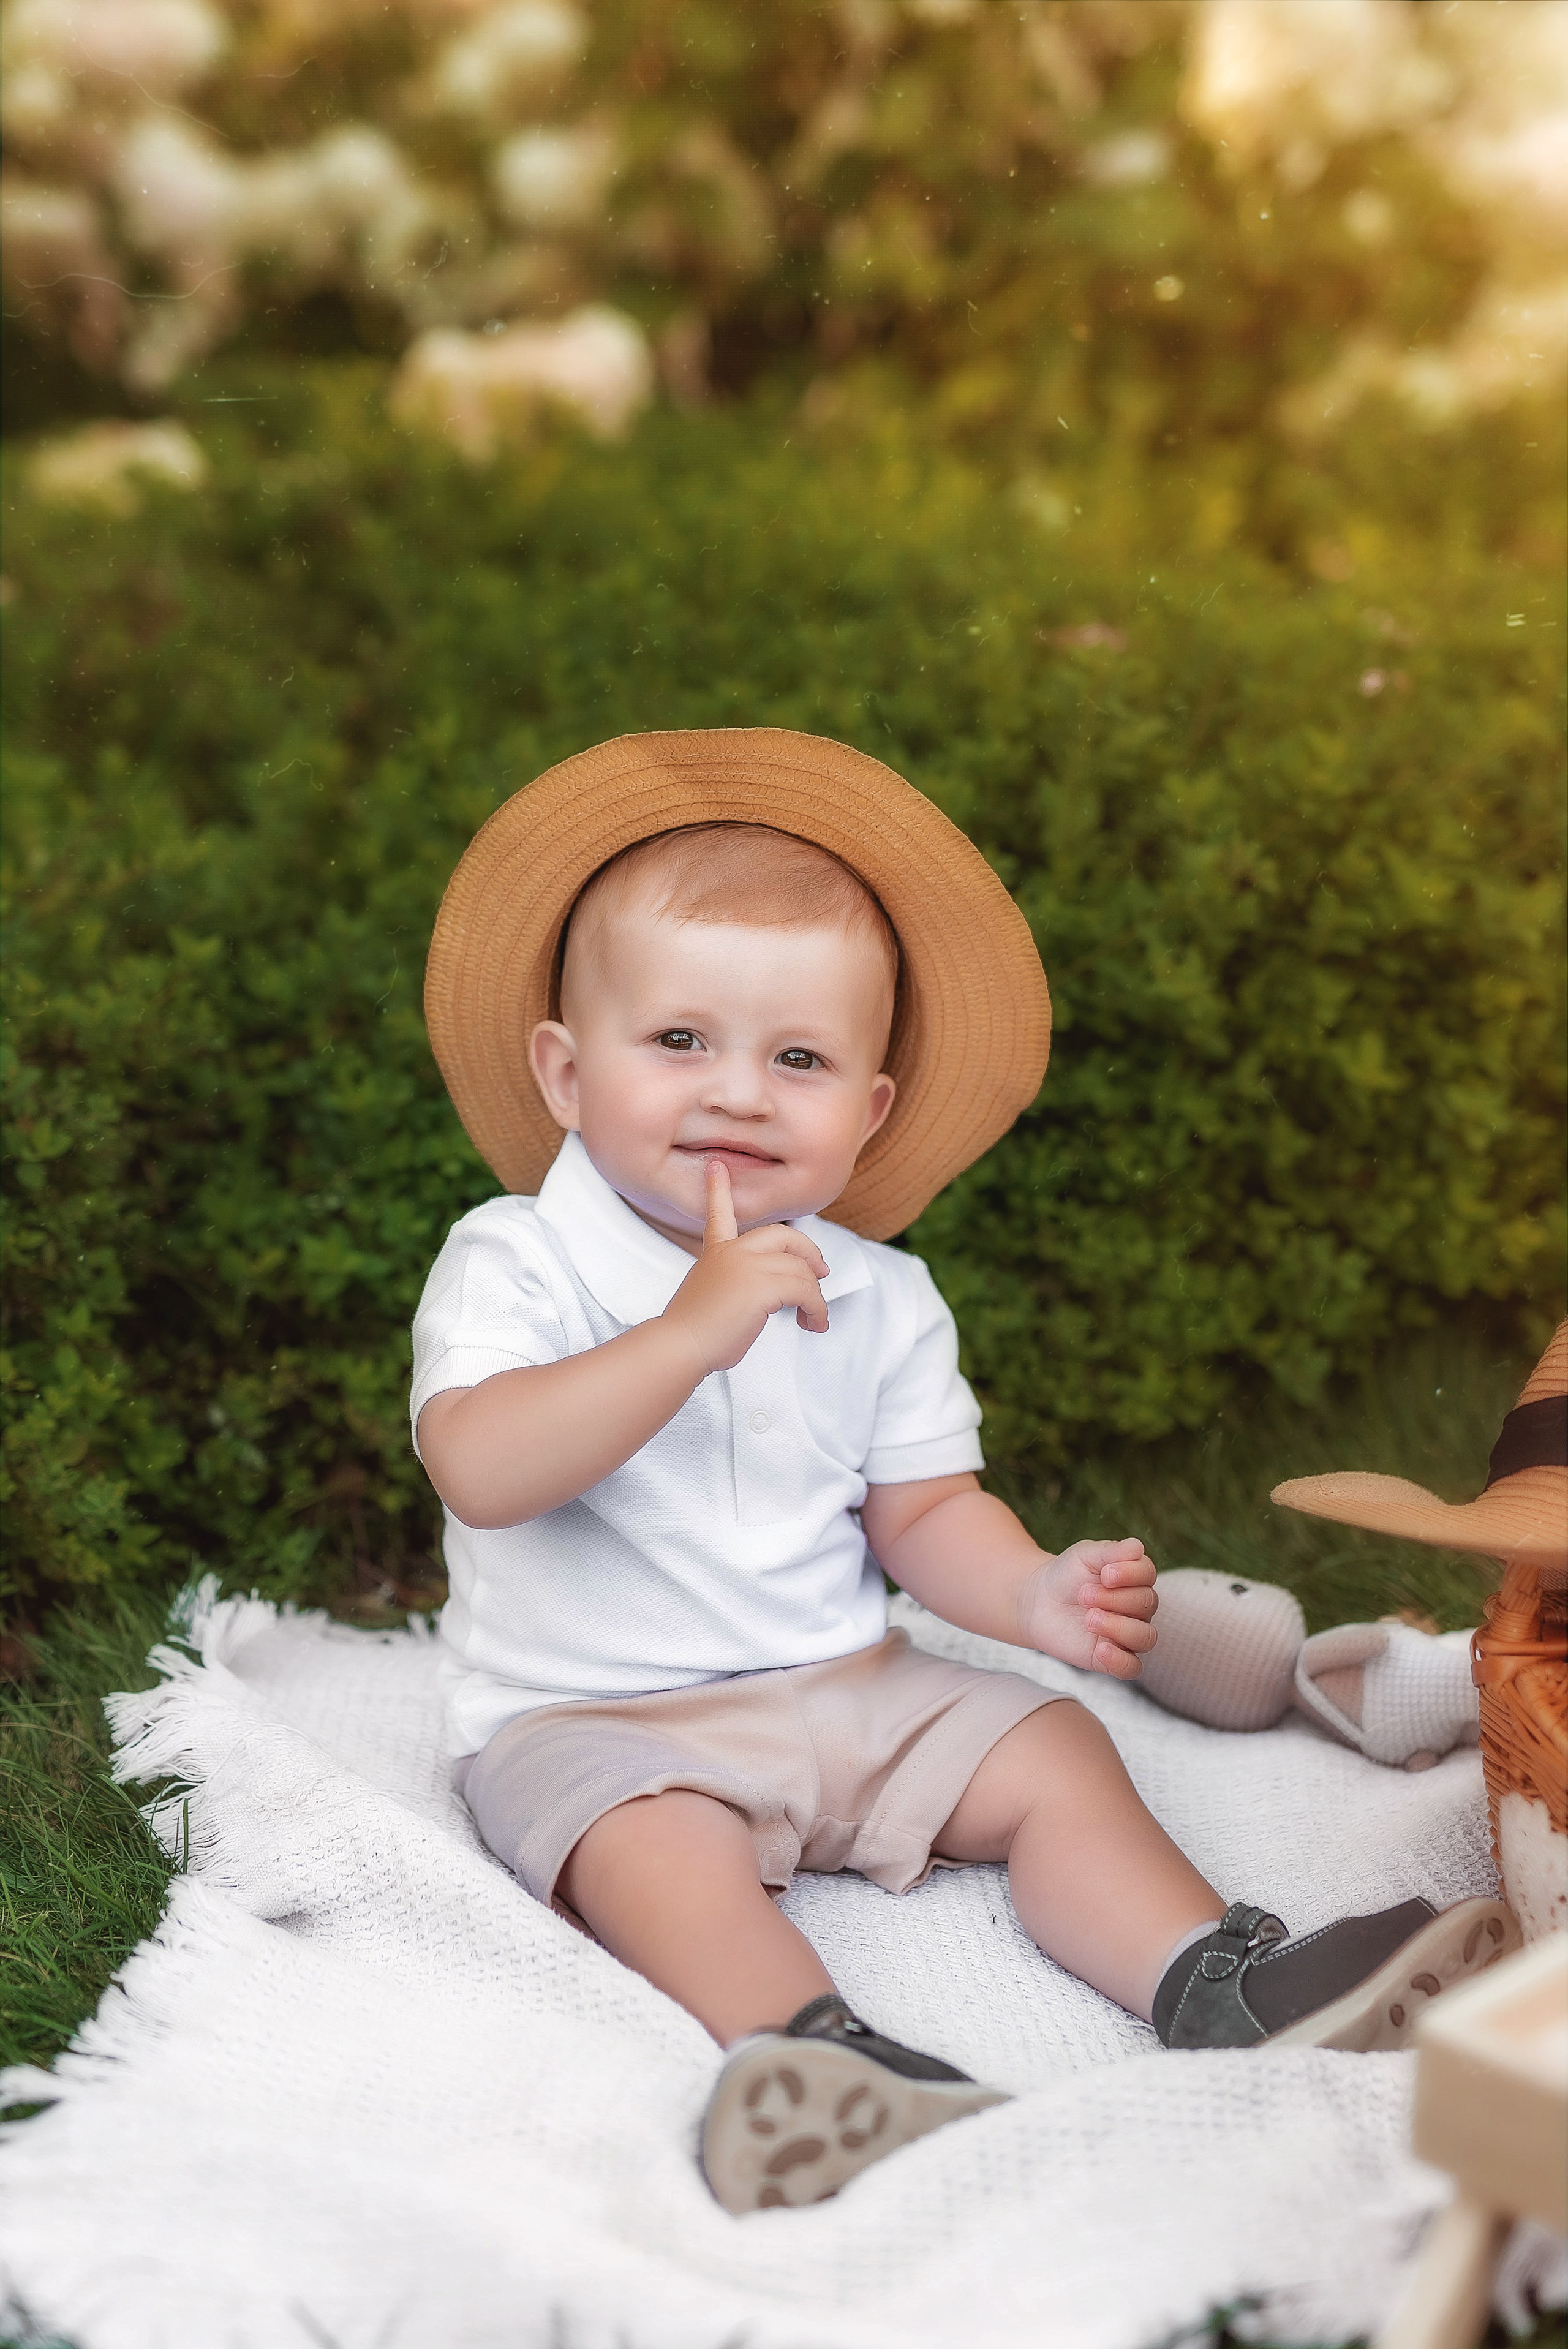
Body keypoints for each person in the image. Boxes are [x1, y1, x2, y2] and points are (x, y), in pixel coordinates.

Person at [412, 728, 1515, 2215]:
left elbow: (921, 1510)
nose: (736, 1092)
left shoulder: (879, 1291)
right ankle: (817, 2055)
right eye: (678, 1041)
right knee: (645, 1853)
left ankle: (1216, 1976)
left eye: (796, 1059)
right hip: (599, 1717)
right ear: (562, 1069)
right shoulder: (518, 1260)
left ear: (864, 1109)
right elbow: (483, 1466)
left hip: (846, 1683)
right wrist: (685, 1334)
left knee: (1049, 1750)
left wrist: (1028, 1592)